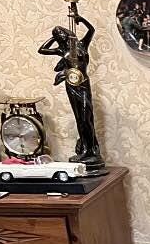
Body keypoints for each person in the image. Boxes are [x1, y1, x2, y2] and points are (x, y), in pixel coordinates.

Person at [38, 11, 103, 169]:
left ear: (67, 33)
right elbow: (42, 50)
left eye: (60, 32)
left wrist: (82, 19)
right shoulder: (61, 50)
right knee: (79, 118)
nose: (60, 35)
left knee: (87, 117)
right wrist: (54, 38)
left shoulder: (81, 45)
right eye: (57, 34)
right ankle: (87, 150)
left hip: (83, 84)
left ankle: (92, 150)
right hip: (71, 86)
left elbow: (91, 30)